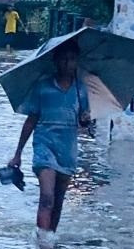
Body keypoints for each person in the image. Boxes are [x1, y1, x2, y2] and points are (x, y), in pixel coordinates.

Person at [8, 40, 92, 232]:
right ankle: (43, 243)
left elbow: (84, 120)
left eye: (71, 59)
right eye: (63, 59)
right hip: (44, 146)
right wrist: (18, 153)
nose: (67, 64)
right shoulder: (43, 87)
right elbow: (31, 120)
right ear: (55, 61)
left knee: (59, 200)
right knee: (47, 197)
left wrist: (86, 120)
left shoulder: (81, 90)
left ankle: (50, 237)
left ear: (76, 62)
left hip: (67, 149)